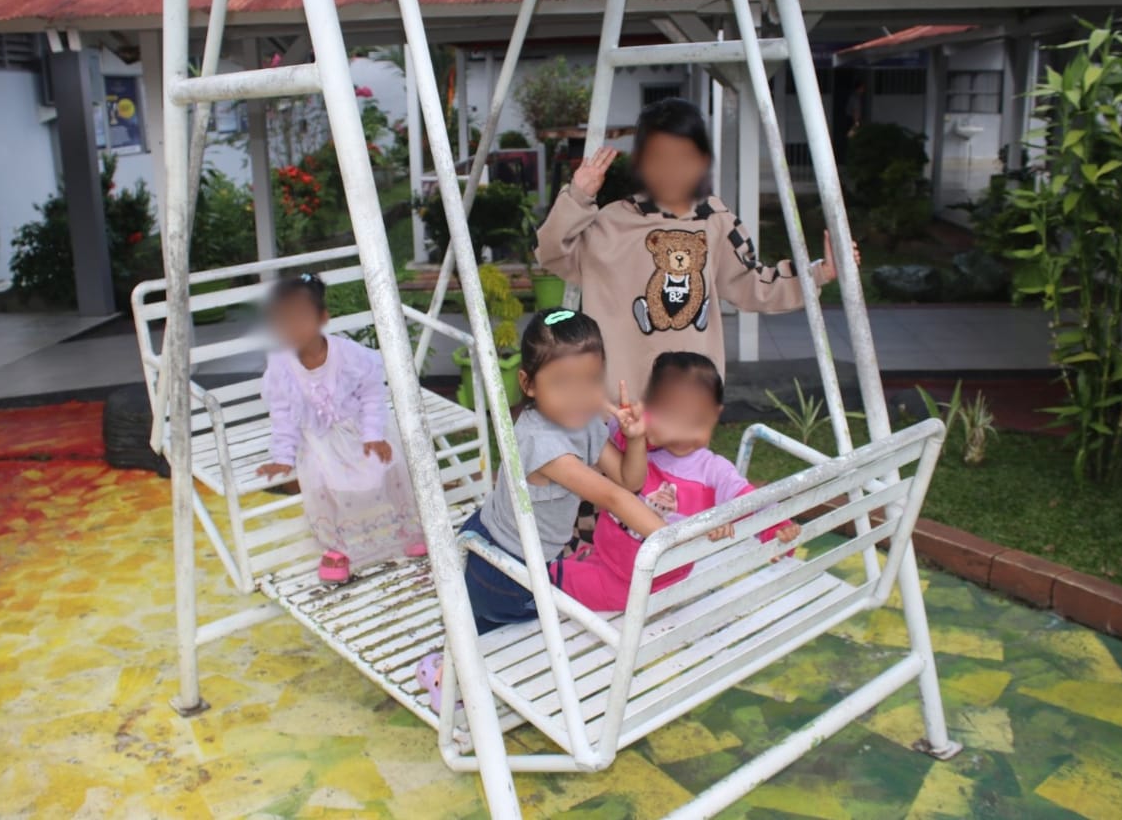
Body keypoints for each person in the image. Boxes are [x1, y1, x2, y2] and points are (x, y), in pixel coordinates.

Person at [415, 308, 666, 711]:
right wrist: (672, 538)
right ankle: (447, 676)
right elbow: (615, 498)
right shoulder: (539, 441)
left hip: (520, 554)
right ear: (528, 384)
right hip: (500, 566)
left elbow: (627, 480)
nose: (578, 396)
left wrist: (634, 439)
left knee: (483, 630)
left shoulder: (583, 422)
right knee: (497, 631)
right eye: (562, 383)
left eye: (591, 380)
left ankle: (450, 663)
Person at [535, 96, 860, 399]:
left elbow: (754, 284)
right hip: (616, 405)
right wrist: (578, 195)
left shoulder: (713, 219)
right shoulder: (609, 223)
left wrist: (820, 272)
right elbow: (551, 252)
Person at [553, 352, 801, 612]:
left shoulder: (714, 472)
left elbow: (754, 502)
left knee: (547, 577)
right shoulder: (640, 444)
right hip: (608, 556)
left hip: (635, 586)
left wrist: (778, 528)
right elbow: (618, 431)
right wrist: (633, 427)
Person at [256, 272, 425, 583]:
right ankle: (336, 546)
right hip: (317, 437)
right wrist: (282, 454)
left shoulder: (348, 354)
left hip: (359, 427)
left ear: (322, 318)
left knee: (391, 462)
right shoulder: (280, 365)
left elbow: (372, 393)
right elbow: (282, 413)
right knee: (319, 476)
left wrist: (373, 434)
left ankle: (407, 527)